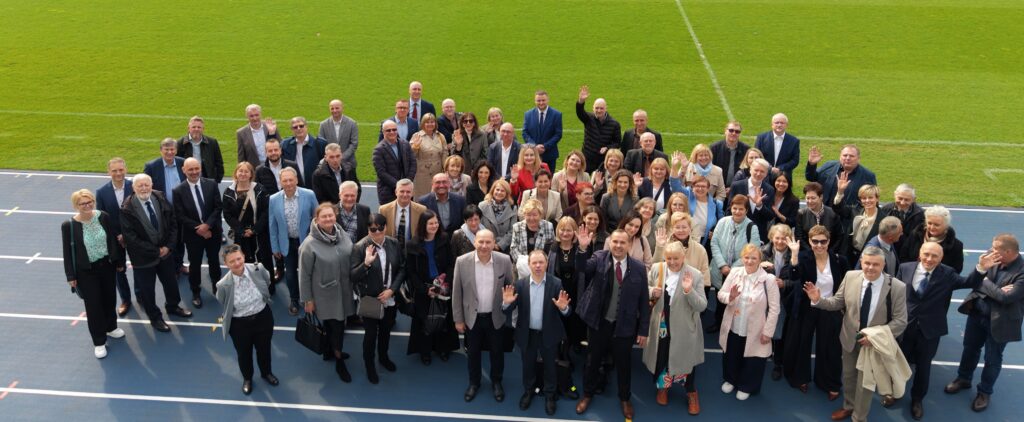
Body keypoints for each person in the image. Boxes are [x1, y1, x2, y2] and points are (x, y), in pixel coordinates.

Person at [805, 246, 908, 422]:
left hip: (873, 344)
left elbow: (900, 321)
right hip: (849, 339)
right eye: (867, 263)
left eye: (875, 264)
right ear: (861, 262)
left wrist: (874, 339)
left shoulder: (897, 287)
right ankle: (849, 406)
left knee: (865, 383)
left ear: (883, 264)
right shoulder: (851, 276)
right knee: (849, 377)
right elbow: (837, 302)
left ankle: (859, 417)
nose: (870, 267)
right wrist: (818, 300)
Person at [896, 242, 982, 419]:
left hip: (930, 330)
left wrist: (981, 268)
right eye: (926, 254)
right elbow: (895, 294)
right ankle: (894, 392)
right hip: (905, 327)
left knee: (923, 367)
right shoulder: (905, 268)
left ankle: (917, 399)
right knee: (898, 363)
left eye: (934, 256)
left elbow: (969, 282)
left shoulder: (948, 273)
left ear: (941, 258)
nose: (929, 258)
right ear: (920, 253)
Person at [574, 229, 650, 419]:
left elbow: (643, 301)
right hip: (599, 324)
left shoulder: (639, 268)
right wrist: (582, 248)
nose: (618, 245)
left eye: (622, 242)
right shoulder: (599, 258)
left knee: (624, 365)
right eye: (615, 241)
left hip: (624, 326)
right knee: (592, 362)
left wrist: (643, 330)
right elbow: (582, 268)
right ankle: (587, 394)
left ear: (628, 245)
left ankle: (625, 398)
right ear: (610, 243)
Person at [946, 234, 1024, 413]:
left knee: (993, 358)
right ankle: (963, 378)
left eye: (995, 248)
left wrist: (985, 281)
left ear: (1008, 252)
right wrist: (984, 276)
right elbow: (976, 279)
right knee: (970, 349)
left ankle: (984, 392)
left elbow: (1006, 297)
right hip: (977, 314)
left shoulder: (1021, 271)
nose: (991, 250)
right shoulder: (992, 256)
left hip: (1001, 322)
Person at [119, 173, 192, 333]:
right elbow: (131, 238)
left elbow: (173, 223)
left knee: (171, 283)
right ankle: (155, 318)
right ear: (133, 188)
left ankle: (173, 307)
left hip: (165, 253)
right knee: (147, 290)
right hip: (143, 259)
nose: (144, 188)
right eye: (140, 185)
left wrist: (168, 247)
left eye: (146, 184)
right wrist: (155, 251)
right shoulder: (127, 208)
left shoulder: (160, 197)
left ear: (151, 185)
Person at [501, 250, 571, 416]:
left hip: (549, 333)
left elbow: (567, 312)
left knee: (550, 367)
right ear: (529, 264)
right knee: (528, 365)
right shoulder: (520, 285)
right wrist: (506, 303)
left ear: (547, 264)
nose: (538, 266)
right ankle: (529, 391)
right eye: (535, 263)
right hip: (528, 334)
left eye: (541, 262)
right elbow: (507, 310)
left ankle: (549, 395)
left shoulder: (556, 283)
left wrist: (564, 308)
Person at [782, 225, 847, 399]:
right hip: (806, 308)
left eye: (823, 241)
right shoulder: (802, 257)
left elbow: (844, 285)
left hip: (829, 308)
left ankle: (829, 382)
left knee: (830, 347)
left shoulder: (839, 260)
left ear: (829, 241)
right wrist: (794, 255)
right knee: (802, 343)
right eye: (815, 241)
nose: (819, 245)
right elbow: (794, 276)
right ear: (809, 242)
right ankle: (800, 378)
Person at [452, 229, 516, 402]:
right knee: (473, 353)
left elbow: (511, 286)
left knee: (497, 351)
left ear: (494, 243)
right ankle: (474, 383)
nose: (484, 246)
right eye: (481, 242)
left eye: (488, 242)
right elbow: (457, 291)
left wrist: (509, 303)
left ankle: (497, 382)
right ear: (475, 242)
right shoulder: (462, 262)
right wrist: (458, 319)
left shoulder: (504, 260)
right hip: (472, 318)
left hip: (496, 317)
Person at [644, 241, 707, 414]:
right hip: (661, 323)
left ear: (683, 257)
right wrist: (651, 291)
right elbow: (645, 291)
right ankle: (663, 387)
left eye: (676, 258)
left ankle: (691, 392)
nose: (672, 262)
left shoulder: (695, 275)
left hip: (685, 326)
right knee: (662, 356)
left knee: (686, 360)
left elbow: (702, 305)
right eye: (669, 258)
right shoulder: (657, 269)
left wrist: (689, 291)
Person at [62, 189, 126, 358]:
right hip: (86, 272)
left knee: (109, 298)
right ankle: (99, 341)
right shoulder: (69, 225)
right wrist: (71, 276)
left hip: (106, 266)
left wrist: (118, 262)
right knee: (93, 306)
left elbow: (112, 239)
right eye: (83, 203)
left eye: (89, 201)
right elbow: (67, 253)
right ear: (76, 205)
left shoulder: (103, 216)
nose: (87, 205)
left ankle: (111, 327)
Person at [300, 203, 356, 383]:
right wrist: (307, 300)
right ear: (317, 219)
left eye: (331, 216)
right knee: (337, 327)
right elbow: (304, 275)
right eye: (324, 217)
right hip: (325, 296)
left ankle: (329, 351)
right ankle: (339, 361)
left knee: (335, 326)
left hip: (345, 291)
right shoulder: (308, 245)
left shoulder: (342, 234)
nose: (328, 219)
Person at [717, 244, 780, 400]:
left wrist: (768, 332)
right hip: (734, 325)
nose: (750, 261)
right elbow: (721, 294)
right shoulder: (734, 273)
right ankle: (731, 379)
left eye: (754, 258)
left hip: (757, 329)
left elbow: (774, 308)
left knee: (753, 359)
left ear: (760, 260)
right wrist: (730, 297)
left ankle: (747, 385)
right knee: (731, 354)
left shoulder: (769, 280)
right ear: (741, 258)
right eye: (747, 257)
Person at [215, 245, 277, 395]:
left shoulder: (258, 268)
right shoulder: (223, 285)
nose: (237, 263)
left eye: (238, 258)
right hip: (239, 325)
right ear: (226, 264)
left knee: (264, 349)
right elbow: (223, 300)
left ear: (243, 256)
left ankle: (266, 372)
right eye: (232, 261)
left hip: (262, 317)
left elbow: (267, 281)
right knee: (244, 353)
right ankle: (247, 378)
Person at [352, 213, 406, 384]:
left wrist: (392, 290)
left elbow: (402, 269)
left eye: (380, 228)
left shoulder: (394, 243)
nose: (377, 232)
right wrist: (366, 264)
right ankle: (369, 365)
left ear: (386, 227)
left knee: (385, 331)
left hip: (389, 299)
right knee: (370, 336)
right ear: (368, 229)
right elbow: (353, 276)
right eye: (372, 229)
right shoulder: (359, 248)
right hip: (370, 300)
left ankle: (383, 357)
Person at [405, 211, 459, 365]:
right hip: (424, 288)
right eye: (431, 223)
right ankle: (425, 352)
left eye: (436, 222)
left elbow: (450, 263)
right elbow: (411, 271)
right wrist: (423, 289)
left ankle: (443, 349)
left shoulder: (443, 239)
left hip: (443, 287)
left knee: (443, 319)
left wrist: (444, 283)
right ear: (423, 225)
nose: (434, 226)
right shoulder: (412, 244)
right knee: (424, 321)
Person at [172, 158, 224, 308]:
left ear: (200, 168)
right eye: (190, 169)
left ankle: (217, 285)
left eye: (196, 168)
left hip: (213, 232)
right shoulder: (178, 191)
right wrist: (200, 229)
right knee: (195, 264)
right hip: (193, 235)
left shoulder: (211, 184)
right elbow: (180, 216)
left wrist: (207, 225)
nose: (194, 172)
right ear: (184, 170)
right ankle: (195, 291)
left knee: (214, 260)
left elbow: (217, 207)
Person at [268, 168, 319, 316]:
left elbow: (317, 217)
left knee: (310, 272)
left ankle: (310, 299)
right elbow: (272, 225)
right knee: (290, 274)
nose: (288, 183)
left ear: (296, 180)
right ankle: (294, 300)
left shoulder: (309, 195)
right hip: (287, 243)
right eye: (285, 180)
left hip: (307, 243)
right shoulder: (273, 199)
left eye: (291, 180)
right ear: (280, 182)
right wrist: (275, 246)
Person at [709, 195, 762, 332]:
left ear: (746, 211)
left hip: (739, 271)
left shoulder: (752, 227)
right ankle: (718, 322)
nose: (737, 211)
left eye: (741, 209)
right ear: (730, 208)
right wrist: (722, 265)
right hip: (720, 269)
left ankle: (732, 326)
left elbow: (753, 249)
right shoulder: (722, 222)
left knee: (736, 299)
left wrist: (732, 268)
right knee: (720, 298)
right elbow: (714, 243)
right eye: (735, 208)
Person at [222, 162, 274, 293]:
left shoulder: (260, 189)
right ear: (236, 173)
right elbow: (227, 214)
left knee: (264, 260)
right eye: (240, 171)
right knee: (244, 261)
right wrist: (240, 230)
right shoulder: (229, 191)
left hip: (259, 232)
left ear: (251, 174)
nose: (243, 174)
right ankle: (250, 287)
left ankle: (269, 286)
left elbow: (266, 211)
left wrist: (255, 229)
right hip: (241, 235)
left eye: (246, 171)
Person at [95, 157, 134, 316]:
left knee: (139, 267)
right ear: (108, 172)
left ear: (125, 169)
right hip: (115, 239)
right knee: (119, 270)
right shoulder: (102, 192)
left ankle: (142, 296)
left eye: (121, 170)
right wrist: (118, 235)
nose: (118, 173)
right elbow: (103, 218)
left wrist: (128, 234)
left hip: (135, 236)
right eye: (114, 170)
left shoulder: (135, 187)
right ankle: (126, 299)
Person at [761, 224, 797, 381]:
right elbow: (749, 271)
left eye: (784, 238)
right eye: (777, 238)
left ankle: (778, 363)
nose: (780, 241)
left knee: (779, 331)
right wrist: (759, 266)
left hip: (783, 298)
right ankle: (764, 354)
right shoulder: (762, 252)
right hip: (764, 298)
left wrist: (784, 283)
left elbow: (798, 280)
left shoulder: (795, 255)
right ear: (771, 237)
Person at [549, 216, 587, 352]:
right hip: (556, 293)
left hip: (576, 292)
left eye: (569, 230)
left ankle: (570, 349)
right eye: (562, 230)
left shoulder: (581, 248)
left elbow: (585, 270)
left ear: (575, 232)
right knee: (558, 324)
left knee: (573, 324)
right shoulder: (551, 249)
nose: (565, 233)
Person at [806, 144, 877, 208]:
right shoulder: (829, 166)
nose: (848, 158)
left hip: (848, 218)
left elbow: (872, 200)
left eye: (851, 156)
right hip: (825, 214)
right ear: (840, 157)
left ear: (858, 159)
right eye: (845, 155)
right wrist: (812, 165)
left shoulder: (868, 176)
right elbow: (811, 177)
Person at [653, 212, 712, 290]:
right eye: (677, 227)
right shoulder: (664, 244)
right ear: (672, 229)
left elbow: (705, 276)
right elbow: (655, 268)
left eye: (684, 227)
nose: (681, 230)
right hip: (666, 291)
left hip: (691, 291)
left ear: (690, 229)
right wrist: (659, 247)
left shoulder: (700, 249)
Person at [900, 205, 964, 273]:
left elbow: (955, 270)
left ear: (946, 226)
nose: (932, 227)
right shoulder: (915, 236)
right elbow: (904, 256)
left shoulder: (956, 245)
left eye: (936, 225)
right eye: (929, 223)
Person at [727, 157, 775, 244]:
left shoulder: (769, 190)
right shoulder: (737, 186)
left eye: (762, 171)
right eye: (756, 170)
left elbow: (770, 216)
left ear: (766, 174)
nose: (758, 173)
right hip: (737, 232)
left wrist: (760, 206)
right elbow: (729, 210)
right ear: (750, 170)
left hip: (759, 234)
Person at [576, 85, 622, 172]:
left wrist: (607, 148)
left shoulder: (614, 124)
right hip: (587, 158)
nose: (599, 110)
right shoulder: (588, 118)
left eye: (601, 108)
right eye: (597, 108)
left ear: (606, 108)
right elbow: (580, 113)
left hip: (603, 160)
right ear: (593, 108)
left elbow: (617, 143)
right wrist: (581, 101)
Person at [832, 184, 881, 263]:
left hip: (869, 259)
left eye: (870, 197)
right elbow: (838, 208)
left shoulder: (883, 219)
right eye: (864, 198)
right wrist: (840, 192)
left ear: (877, 198)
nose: (867, 201)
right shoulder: (855, 211)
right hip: (849, 255)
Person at [372, 120, 417, 205]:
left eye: (394, 129)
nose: (392, 132)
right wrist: (399, 185)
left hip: (406, 190)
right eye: (388, 130)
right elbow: (381, 173)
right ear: (383, 132)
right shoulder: (378, 150)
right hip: (388, 192)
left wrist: (407, 182)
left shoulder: (405, 144)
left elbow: (413, 163)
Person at [318, 99, 360, 188]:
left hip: (348, 164)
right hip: (330, 164)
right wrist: (332, 158)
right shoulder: (323, 125)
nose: (334, 110)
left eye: (337, 108)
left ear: (342, 108)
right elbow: (321, 144)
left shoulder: (352, 123)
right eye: (332, 108)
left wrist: (341, 157)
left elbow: (354, 144)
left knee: (350, 190)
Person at [281, 116, 328, 189]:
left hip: (316, 186)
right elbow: (275, 153)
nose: (298, 129)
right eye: (295, 127)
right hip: (294, 187)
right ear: (292, 130)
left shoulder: (320, 144)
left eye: (301, 126)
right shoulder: (286, 144)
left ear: (306, 126)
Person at [510, 199, 555, 274]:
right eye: (528, 215)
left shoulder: (548, 226)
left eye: (534, 215)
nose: (531, 218)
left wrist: (539, 263)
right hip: (521, 268)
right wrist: (525, 264)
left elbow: (551, 248)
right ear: (524, 215)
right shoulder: (517, 227)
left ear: (540, 215)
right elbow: (513, 248)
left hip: (541, 267)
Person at [522, 90, 563, 171]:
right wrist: (534, 146)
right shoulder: (528, 114)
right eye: (538, 100)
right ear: (535, 101)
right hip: (532, 156)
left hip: (549, 155)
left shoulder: (556, 114)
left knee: (548, 180)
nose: (541, 103)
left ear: (548, 100)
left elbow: (558, 134)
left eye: (543, 100)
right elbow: (525, 132)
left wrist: (545, 146)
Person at [176, 116, 224, 183]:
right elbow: (177, 164)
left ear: (203, 129)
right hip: (186, 181)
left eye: (199, 127)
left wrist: (216, 181)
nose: (196, 129)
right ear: (188, 128)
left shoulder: (212, 142)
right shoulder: (180, 143)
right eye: (194, 127)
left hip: (207, 180)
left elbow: (219, 163)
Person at [410, 113, 449, 197]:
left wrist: (446, 170)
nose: (430, 124)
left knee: (437, 197)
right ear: (423, 124)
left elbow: (445, 154)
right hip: (422, 174)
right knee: (422, 198)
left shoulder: (440, 136)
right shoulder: (417, 136)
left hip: (437, 172)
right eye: (427, 122)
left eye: (432, 122)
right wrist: (415, 147)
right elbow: (411, 156)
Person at [882, 184, 926, 258]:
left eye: (907, 200)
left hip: (909, 255)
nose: (902, 202)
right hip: (888, 253)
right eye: (900, 198)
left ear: (914, 199)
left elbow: (920, 239)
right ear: (894, 195)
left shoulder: (921, 215)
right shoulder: (885, 210)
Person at [794, 182, 841, 251]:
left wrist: (829, 252)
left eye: (813, 198)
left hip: (828, 253)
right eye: (807, 198)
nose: (810, 201)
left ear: (821, 197)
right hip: (808, 253)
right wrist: (811, 251)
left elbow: (839, 236)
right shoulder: (801, 214)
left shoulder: (832, 213)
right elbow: (799, 236)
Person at [380, 179, 426, 248]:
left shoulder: (421, 210)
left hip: (412, 251)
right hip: (391, 250)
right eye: (402, 191)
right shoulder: (384, 210)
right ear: (396, 192)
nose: (405, 195)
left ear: (412, 193)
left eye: (408, 192)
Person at [755, 113, 800, 182]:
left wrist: (780, 168)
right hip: (764, 175)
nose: (779, 125)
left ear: (786, 125)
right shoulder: (761, 138)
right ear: (772, 125)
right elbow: (757, 156)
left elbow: (795, 160)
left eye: (782, 123)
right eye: (777, 123)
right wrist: (770, 168)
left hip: (784, 177)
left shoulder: (794, 141)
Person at [142, 138, 185, 206]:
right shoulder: (151, 167)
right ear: (161, 151)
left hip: (182, 206)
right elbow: (145, 186)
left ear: (176, 151)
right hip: (162, 207)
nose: (169, 152)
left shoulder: (183, 163)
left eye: (172, 149)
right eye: (166, 149)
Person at [478, 180, 517, 252]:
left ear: (507, 193)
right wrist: (489, 243)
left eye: (503, 191)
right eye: (497, 190)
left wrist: (500, 245)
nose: (499, 192)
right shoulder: (482, 206)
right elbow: (479, 226)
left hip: (504, 248)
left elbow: (513, 230)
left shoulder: (512, 208)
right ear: (493, 190)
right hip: (485, 246)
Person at [237, 104, 280, 168]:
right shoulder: (241, 133)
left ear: (261, 114)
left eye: (257, 115)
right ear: (247, 117)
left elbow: (280, 145)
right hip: (254, 169)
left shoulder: (270, 126)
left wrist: (272, 133)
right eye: (251, 116)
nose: (255, 118)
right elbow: (241, 156)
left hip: (273, 166)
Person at [710, 121, 750, 189]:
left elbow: (748, 171)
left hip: (738, 189)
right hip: (717, 188)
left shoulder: (746, 150)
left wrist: (732, 188)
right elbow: (709, 169)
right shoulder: (714, 148)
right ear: (725, 131)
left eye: (737, 131)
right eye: (731, 130)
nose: (734, 133)